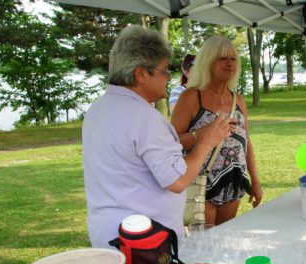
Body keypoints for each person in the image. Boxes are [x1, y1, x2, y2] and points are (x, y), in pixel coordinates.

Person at [83, 25, 231, 248]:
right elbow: (177, 180)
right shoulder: (145, 118)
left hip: (108, 231)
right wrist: (206, 142)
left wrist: (203, 133)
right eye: (163, 71)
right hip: (145, 241)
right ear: (141, 74)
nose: (168, 78)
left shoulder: (99, 108)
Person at [171, 35, 262, 225]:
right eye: (222, 58)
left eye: (233, 59)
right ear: (208, 62)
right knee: (205, 246)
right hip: (202, 185)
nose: (229, 64)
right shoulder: (191, 97)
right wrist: (202, 134)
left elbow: (247, 143)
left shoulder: (238, 100)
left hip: (233, 183)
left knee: (224, 241)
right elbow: (173, 143)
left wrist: (255, 182)